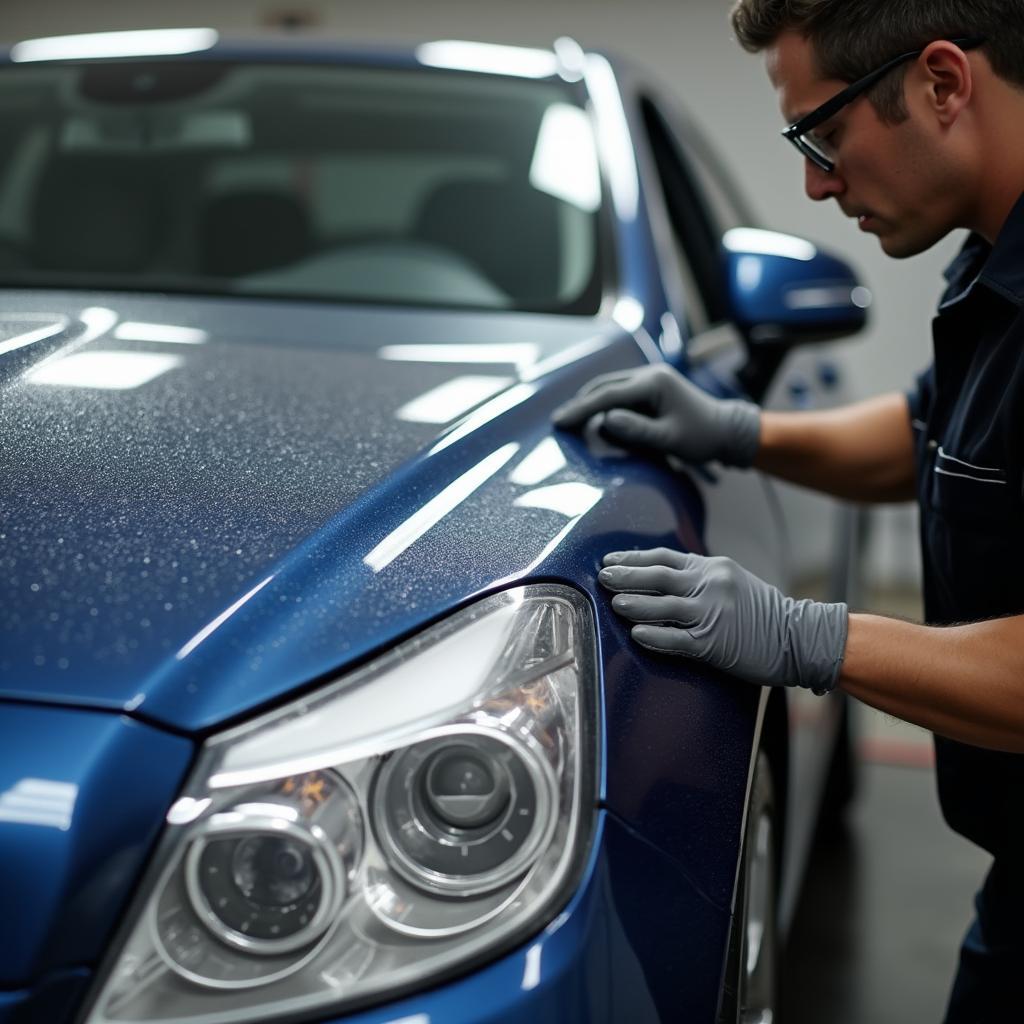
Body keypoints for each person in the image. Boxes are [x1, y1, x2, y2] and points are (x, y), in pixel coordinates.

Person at [553, 1, 1024, 1019]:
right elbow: (925, 437)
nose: (815, 181)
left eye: (823, 131)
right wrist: (735, 431)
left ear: (942, 82)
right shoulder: (993, 262)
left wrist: (804, 636)